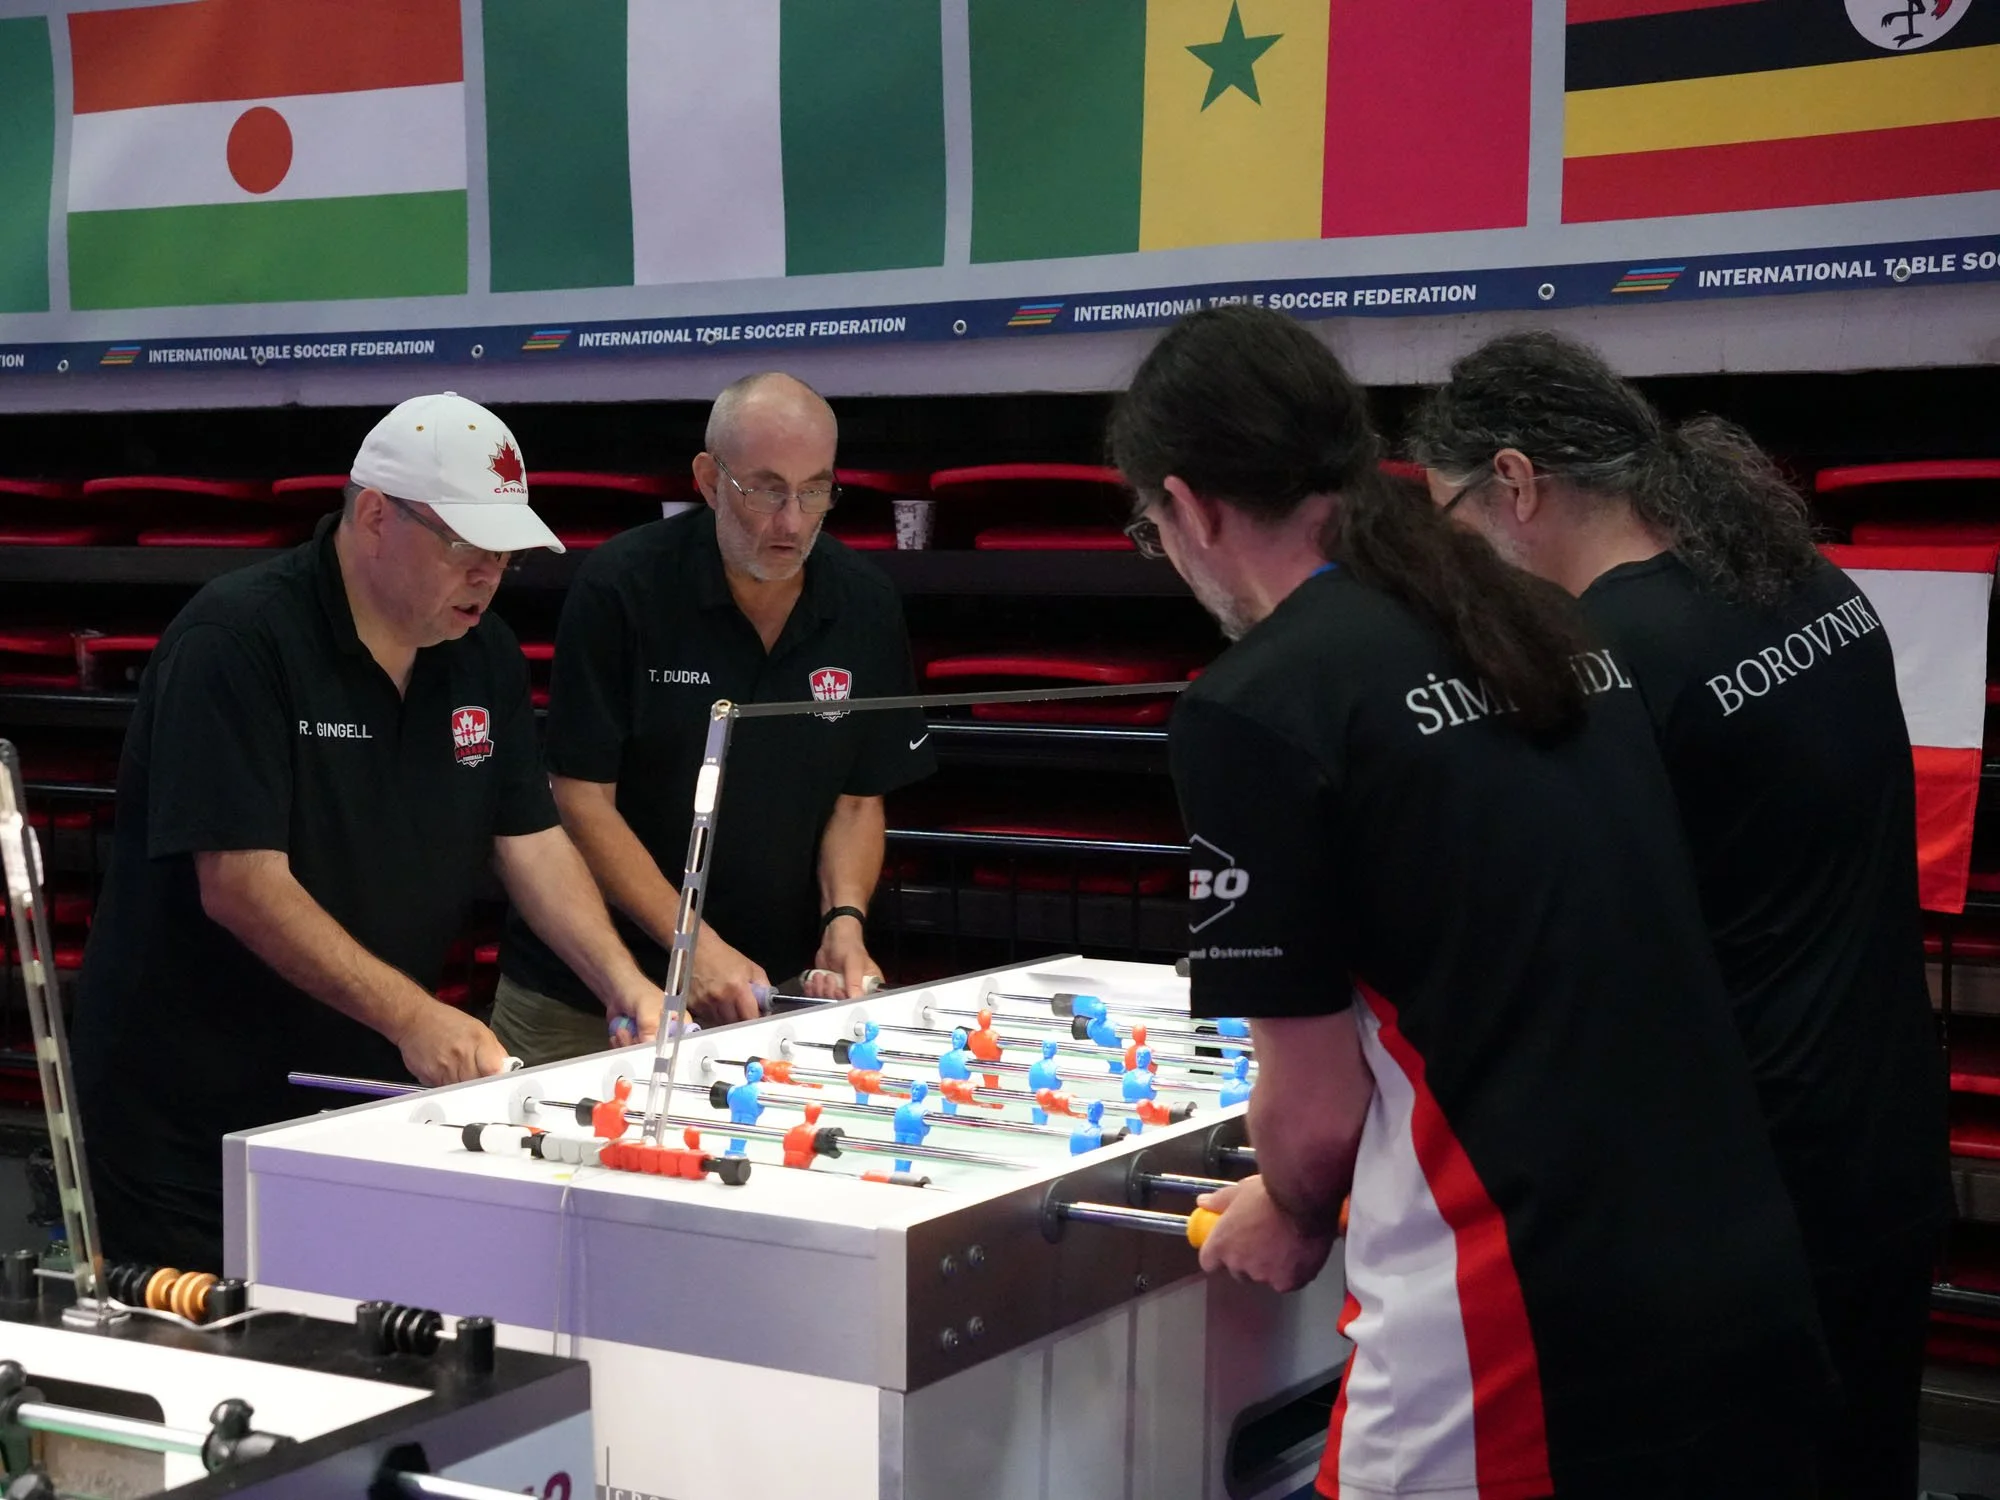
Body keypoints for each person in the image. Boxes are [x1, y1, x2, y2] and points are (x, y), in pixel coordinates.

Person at [1111, 305, 1829, 1496]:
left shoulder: (1256, 702)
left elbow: (1314, 1104)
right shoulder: (1536, 622)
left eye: (1149, 528)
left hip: (1517, 1306)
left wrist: (1286, 1208)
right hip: (1727, 1254)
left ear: (1185, 506)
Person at [1408, 330, 1949, 1499]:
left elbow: (1588, 958)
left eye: (1450, 518)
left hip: (1752, 1186)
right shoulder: (1805, 580)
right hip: (1883, 1128)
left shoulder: (1603, 664)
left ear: (1513, 483)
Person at [72, 393, 668, 1272]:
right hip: (190, 1111)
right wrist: (414, 1014)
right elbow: (241, 881)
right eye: (467, 547)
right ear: (377, 516)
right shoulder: (237, 639)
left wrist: (625, 986)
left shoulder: (483, 652)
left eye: (505, 553)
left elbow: (531, 840)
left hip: (362, 1089)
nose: (490, 575)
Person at [494, 372, 934, 1064]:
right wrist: (688, 943)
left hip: (771, 990)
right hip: (590, 996)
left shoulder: (865, 602)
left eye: (815, 490)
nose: (791, 520)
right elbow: (581, 800)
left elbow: (857, 799)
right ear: (707, 479)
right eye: (765, 490)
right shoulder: (622, 588)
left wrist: (843, 919)